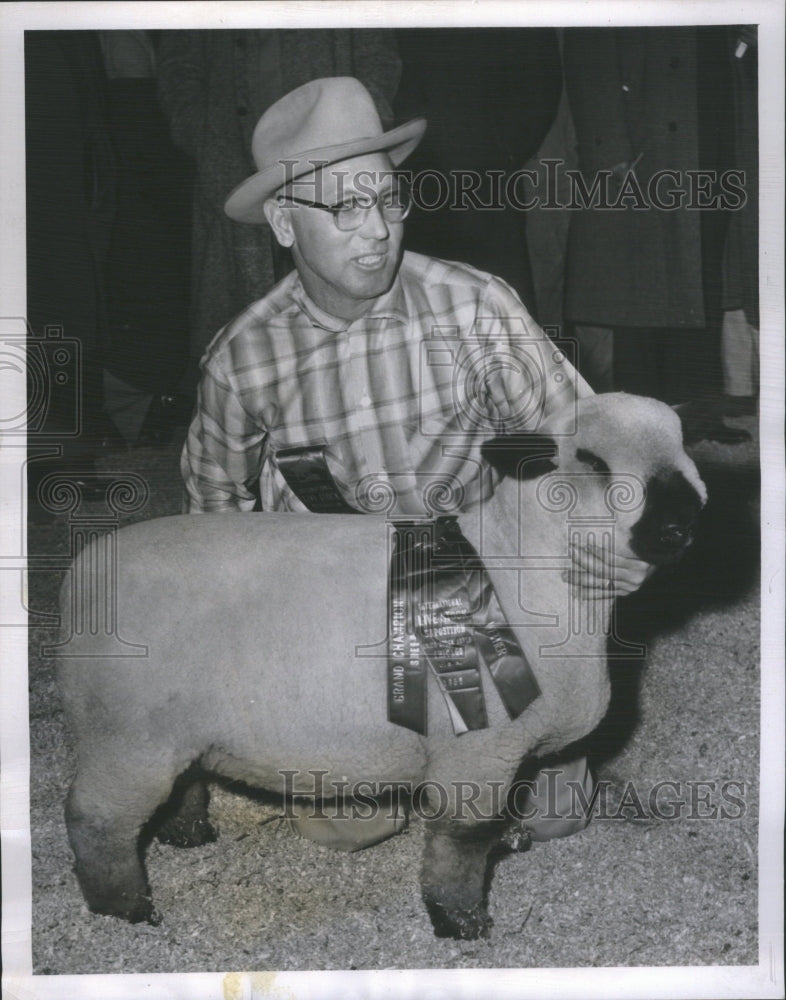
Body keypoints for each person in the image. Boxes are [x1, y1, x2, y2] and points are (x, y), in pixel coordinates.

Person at [181, 77, 652, 850]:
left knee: (548, 809)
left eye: (389, 199)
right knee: (349, 829)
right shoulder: (243, 357)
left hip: (462, 578)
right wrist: (255, 644)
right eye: (344, 207)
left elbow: (578, 441)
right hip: (333, 601)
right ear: (282, 222)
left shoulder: (474, 306)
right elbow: (212, 507)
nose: (376, 231)